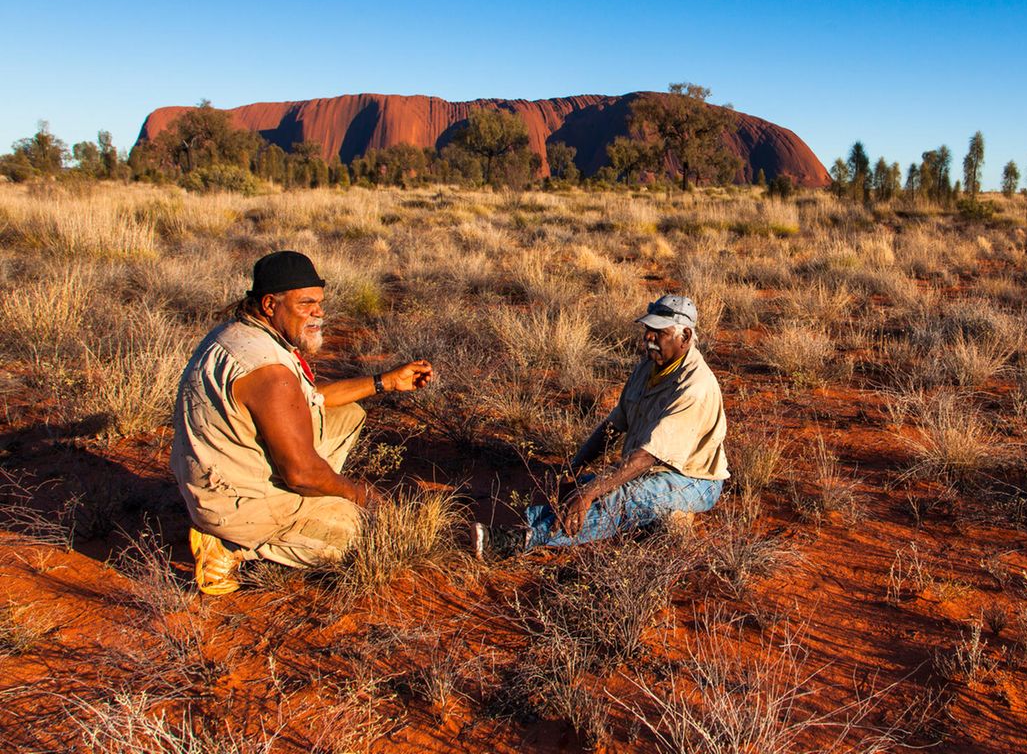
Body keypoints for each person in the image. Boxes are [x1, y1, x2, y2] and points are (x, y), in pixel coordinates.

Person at [171, 250, 433, 595]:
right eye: (306, 304)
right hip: (233, 503)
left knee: (349, 412)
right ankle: (230, 545)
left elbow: (309, 401)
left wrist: (386, 381)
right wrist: (362, 495)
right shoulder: (269, 372)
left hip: (213, 475)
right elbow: (301, 473)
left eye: (319, 303)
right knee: (369, 535)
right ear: (269, 304)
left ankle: (305, 505)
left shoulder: (239, 335)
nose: (319, 313)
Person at [476, 294, 728, 555]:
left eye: (659, 333)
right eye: (647, 331)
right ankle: (534, 520)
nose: (648, 339)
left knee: (621, 496)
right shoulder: (647, 369)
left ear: (685, 337)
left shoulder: (693, 387)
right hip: (649, 468)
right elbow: (613, 426)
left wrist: (589, 493)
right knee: (579, 486)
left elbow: (645, 457)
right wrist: (575, 470)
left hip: (692, 479)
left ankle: (523, 540)